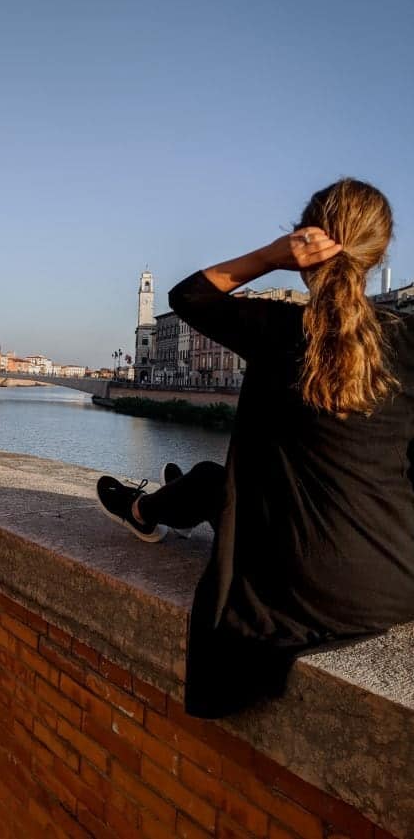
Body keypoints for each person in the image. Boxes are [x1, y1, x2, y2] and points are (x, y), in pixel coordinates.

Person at [97, 178, 414, 718]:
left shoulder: (279, 330)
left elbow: (189, 296)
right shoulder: (409, 341)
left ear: (303, 244)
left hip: (308, 590)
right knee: (214, 483)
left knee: (219, 487)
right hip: (398, 583)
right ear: (378, 253)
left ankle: (142, 509)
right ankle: (169, 495)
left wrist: (270, 257)